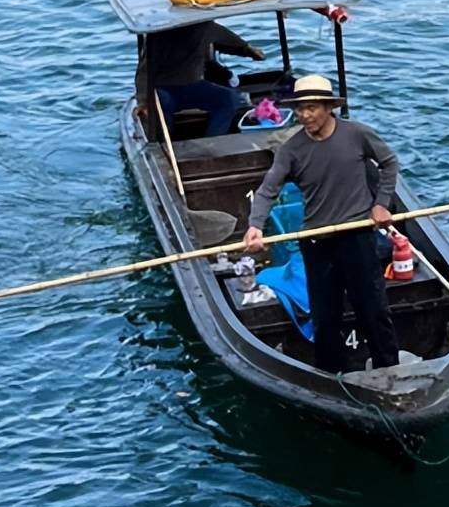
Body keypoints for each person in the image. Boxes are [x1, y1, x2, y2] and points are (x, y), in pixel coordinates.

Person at [243, 74, 400, 372]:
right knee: (325, 317)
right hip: (317, 242)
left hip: (357, 236)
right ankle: (330, 375)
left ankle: (389, 370)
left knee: (373, 310)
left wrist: (381, 204)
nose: (305, 115)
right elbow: (268, 190)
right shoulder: (292, 149)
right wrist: (255, 225)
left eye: (312, 108)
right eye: (301, 109)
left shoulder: (357, 135)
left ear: (328, 107)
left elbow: (390, 163)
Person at [134, 21, 264, 138]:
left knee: (229, 99)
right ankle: (164, 142)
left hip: (192, 86)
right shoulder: (159, 34)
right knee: (161, 105)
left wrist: (247, 49)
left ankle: (213, 140)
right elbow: (144, 70)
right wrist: (143, 101)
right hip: (163, 88)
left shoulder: (205, 27)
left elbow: (228, 38)